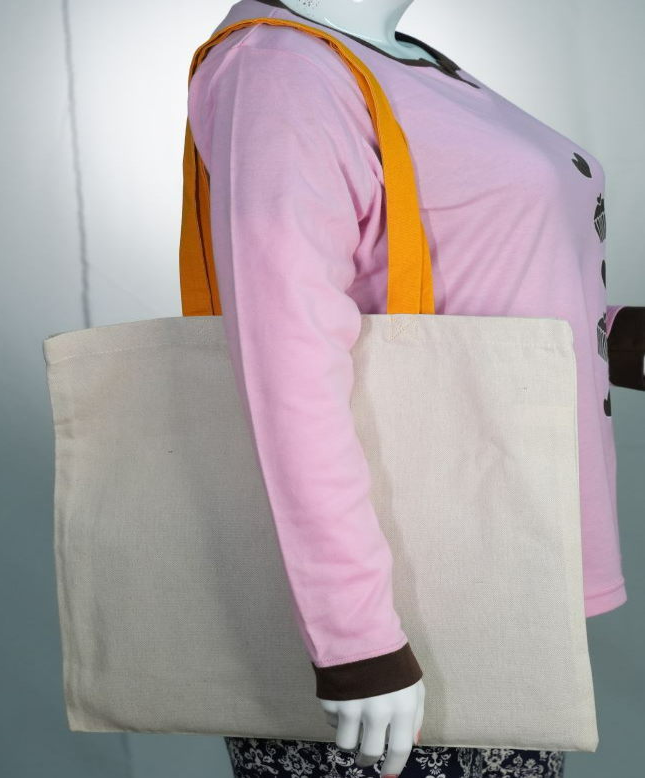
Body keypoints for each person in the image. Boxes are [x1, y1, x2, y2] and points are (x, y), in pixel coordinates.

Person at [186, 0, 645, 775]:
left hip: (497, 558)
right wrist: (357, 643)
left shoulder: (394, 58)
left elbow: (479, 291)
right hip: (403, 612)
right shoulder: (282, 67)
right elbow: (285, 361)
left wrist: (620, 336)